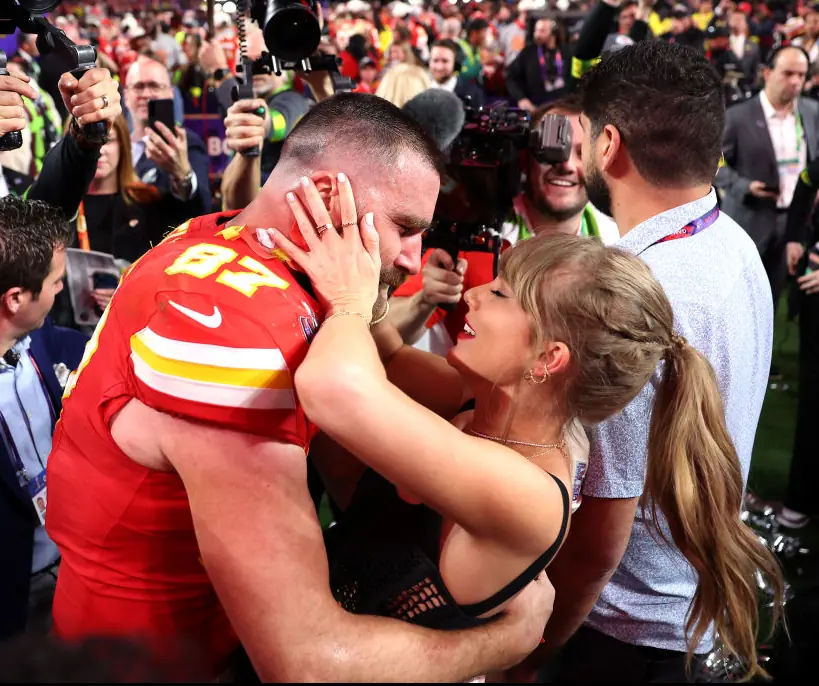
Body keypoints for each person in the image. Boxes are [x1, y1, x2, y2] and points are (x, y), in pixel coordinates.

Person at [45, 93, 555, 682]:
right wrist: (504, 641)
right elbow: (306, 664)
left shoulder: (214, 239)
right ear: (326, 198)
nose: (414, 257)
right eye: (405, 227)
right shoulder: (232, 335)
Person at [269, 167, 782, 682]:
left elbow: (334, 387)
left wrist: (348, 299)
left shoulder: (530, 493)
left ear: (546, 358)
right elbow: (392, 353)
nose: (471, 296)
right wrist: (363, 255)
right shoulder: (485, 401)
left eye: (498, 295)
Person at [516, 40, 782, 683]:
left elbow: (602, 537)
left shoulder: (630, 294)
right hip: (692, 611)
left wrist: (534, 652)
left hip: (625, 636)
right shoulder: (735, 242)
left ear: (608, 146)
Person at [389, 96, 618, 354]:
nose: (565, 164)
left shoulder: (616, 241)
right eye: (552, 148)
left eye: (581, 153)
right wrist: (424, 301)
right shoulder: (478, 230)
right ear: (525, 159)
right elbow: (385, 333)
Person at [0, 197, 87, 641]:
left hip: (76, 566)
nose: (61, 291)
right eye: (55, 282)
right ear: (15, 298)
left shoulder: (44, 339)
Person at [716, 45, 818, 313]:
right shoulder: (737, 116)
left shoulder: (811, 112)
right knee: (735, 299)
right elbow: (714, 165)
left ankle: (763, 353)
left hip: (793, 222)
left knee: (771, 299)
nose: (796, 81)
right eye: (788, 74)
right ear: (767, 73)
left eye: (802, 75)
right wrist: (744, 186)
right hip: (748, 217)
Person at [123, 55, 211, 226]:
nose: (146, 94)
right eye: (138, 87)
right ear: (126, 96)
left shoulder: (186, 143)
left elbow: (202, 207)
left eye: (154, 86)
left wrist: (183, 175)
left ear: (170, 94)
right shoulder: (114, 144)